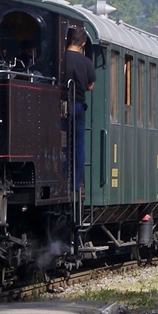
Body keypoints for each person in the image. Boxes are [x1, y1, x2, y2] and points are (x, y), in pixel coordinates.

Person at [63, 25, 95, 194]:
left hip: (60, 104)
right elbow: (91, 85)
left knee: (61, 143)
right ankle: (75, 183)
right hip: (78, 104)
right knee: (78, 145)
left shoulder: (61, 58)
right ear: (83, 43)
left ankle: (61, 177)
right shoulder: (86, 62)